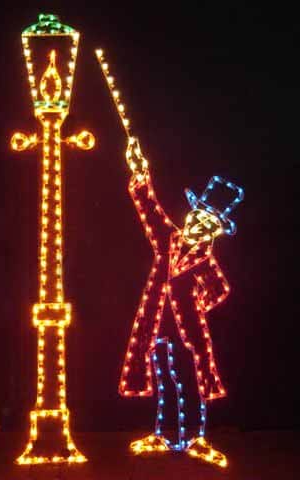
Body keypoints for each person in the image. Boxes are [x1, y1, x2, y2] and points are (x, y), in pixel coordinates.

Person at [118, 137, 243, 466]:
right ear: (191, 216)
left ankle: (195, 438)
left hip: (187, 331)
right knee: (163, 378)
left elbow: (220, 289)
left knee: (189, 380)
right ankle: (163, 433)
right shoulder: (168, 241)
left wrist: (196, 306)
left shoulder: (206, 264)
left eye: (208, 225)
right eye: (198, 218)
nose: (199, 225)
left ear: (214, 233)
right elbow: (149, 208)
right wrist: (140, 172)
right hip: (156, 323)